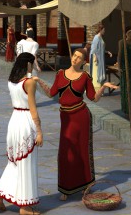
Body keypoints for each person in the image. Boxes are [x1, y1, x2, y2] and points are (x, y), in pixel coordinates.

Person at [34, 48, 118, 201]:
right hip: (66, 118)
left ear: (84, 62)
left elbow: (93, 98)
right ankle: (65, 188)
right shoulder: (60, 74)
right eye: (74, 55)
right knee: (66, 153)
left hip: (81, 117)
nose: (75, 59)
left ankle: (85, 184)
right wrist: (39, 80)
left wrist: (104, 86)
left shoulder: (85, 76)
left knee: (81, 152)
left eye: (79, 57)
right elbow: (51, 93)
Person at [0, 52, 43, 215]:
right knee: (27, 163)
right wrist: (40, 131)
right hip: (25, 122)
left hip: (14, 121)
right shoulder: (29, 83)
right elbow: (33, 108)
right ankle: (25, 206)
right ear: (28, 64)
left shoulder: (11, 81)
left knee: (13, 162)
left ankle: (0, 199)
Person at [117, 26, 131, 117]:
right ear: (125, 34)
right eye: (129, 33)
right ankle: (128, 111)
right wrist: (119, 67)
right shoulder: (122, 42)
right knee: (127, 90)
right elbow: (120, 55)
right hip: (125, 68)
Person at [89, 24, 112, 91]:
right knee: (97, 73)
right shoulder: (96, 37)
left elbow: (101, 48)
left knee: (101, 72)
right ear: (101, 30)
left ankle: (100, 90)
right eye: (104, 30)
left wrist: (107, 52)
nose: (104, 31)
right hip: (97, 58)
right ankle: (96, 90)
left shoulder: (101, 37)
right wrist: (95, 56)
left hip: (101, 58)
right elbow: (93, 48)